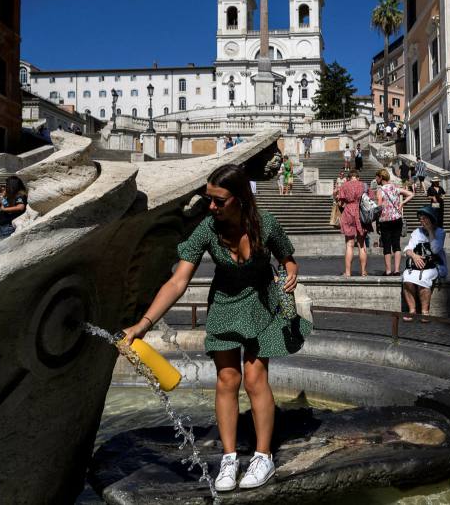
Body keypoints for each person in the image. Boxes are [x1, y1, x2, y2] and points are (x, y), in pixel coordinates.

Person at [122, 165, 310, 492]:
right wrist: (143, 323)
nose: (212, 207)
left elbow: (288, 257)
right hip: (224, 305)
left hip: (262, 303)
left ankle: (263, 456)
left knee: (254, 377)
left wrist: (290, 272)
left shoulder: (266, 224)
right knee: (227, 379)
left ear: (239, 200)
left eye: (219, 201)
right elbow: (178, 281)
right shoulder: (208, 229)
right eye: (209, 199)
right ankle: (229, 457)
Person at [402, 206, 447, 322]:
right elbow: (408, 248)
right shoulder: (417, 232)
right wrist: (414, 256)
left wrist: (431, 231)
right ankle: (412, 310)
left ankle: (425, 311)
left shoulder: (440, 232)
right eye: (420, 219)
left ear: (431, 219)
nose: (422, 221)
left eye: (424, 218)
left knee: (425, 278)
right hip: (418, 264)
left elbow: (436, 249)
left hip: (435, 264)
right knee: (407, 277)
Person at [376, 168, 414, 276]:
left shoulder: (380, 190)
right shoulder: (395, 187)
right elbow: (411, 194)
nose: (376, 179)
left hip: (385, 220)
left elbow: (378, 208)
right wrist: (402, 203)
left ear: (381, 178)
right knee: (396, 245)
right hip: (397, 219)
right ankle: (397, 270)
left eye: (377, 177)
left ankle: (388, 271)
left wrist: (377, 222)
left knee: (387, 246)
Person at [338, 170, 369, 276]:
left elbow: (340, 201)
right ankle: (363, 272)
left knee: (349, 244)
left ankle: (347, 272)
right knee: (362, 244)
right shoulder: (364, 185)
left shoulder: (344, 185)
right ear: (358, 177)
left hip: (348, 212)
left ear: (349, 178)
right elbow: (370, 198)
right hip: (361, 212)